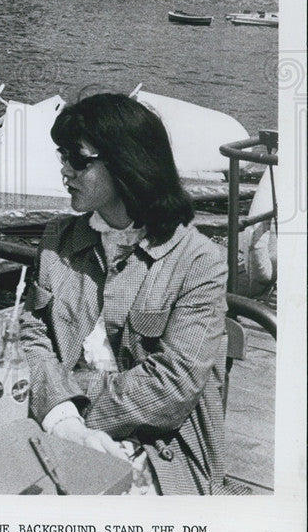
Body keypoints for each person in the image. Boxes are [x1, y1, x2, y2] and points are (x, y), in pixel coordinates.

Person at [19, 92, 228, 495]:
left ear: (126, 163)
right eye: (62, 157)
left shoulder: (199, 261)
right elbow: (31, 338)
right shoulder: (59, 239)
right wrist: (63, 420)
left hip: (161, 450)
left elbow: (173, 385)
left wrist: (69, 401)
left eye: (78, 160)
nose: (65, 170)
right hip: (59, 427)